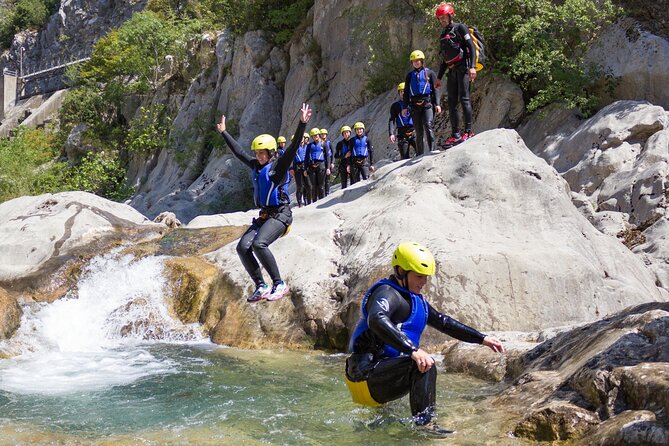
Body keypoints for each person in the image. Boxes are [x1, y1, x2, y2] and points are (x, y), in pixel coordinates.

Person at [345, 242, 504, 432]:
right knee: (424, 364)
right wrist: (413, 350)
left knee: (421, 365)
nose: (423, 282)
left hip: (382, 376)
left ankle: (405, 422)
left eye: (426, 278)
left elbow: (444, 322)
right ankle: (426, 426)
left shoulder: (415, 299)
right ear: (400, 271)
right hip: (364, 375)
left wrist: (481, 338)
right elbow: (376, 319)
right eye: (419, 276)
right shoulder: (387, 293)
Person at [216, 103, 312, 302]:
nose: (259, 156)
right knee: (242, 247)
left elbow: (293, 149)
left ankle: (279, 283)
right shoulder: (255, 166)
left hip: (282, 214)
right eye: (257, 153)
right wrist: (224, 133)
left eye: (262, 153)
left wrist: (302, 124)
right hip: (265, 216)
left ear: (270, 152)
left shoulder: (278, 166)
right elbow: (239, 153)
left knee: (259, 244)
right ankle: (261, 285)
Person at [434, 3, 477, 148]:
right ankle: (456, 134)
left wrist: (472, 67)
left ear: (450, 15)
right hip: (451, 71)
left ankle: (469, 132)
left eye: (444, 17)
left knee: (464, 98)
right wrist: (439, 77)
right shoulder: (443, 35)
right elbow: (445, 59)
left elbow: (470, 47)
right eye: (440, 19)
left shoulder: (460, 28)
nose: (442, 20)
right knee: (451, 103)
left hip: (464, 68)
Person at [402, 50, 441, 155]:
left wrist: (437, 104)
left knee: (428, 125)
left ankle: (432, 149)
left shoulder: (430, 73)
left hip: (427, 104)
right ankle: (420, 153)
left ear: (422, 61)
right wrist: (404, 107)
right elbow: (406, 93)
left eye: (417, 61)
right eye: (414, 61)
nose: (416, 63)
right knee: (418, 131)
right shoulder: (409, 76)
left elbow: (436, 89)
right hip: (414, 106)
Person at [389, 82, 417, 159]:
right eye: (401, 91)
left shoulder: (413, 103)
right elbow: (392, 120)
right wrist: (391, 133)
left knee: (420, 153)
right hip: (402, 134)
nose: (403, 93)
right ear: (399, 93)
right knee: (404, 158)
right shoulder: (395, 106)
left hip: (414, 131)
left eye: (405, 91)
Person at [305, 127, 330, 202]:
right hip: (311, 167)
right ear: (312, 137)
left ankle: (322, 200)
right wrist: (305, 169)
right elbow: (306, 157)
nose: (316, 136)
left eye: (317, 135)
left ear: (319, 135)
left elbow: (327, 156)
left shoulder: (324, 144)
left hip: (321, 166)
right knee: (313, 186)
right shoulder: (309, 146)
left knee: (321, 186)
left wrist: (328, 167)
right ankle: (314, 202)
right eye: (314, 135)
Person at [290, 132, 311, 207]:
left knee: (308, 185)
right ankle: (300, 203)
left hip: (305, 167)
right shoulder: (294, 148)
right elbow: (290, 159)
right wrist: (291, 168)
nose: (301, 139)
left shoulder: (306, 146)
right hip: (297, 168)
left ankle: (308, 202)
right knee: (300, 186)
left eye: (302, 138)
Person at [335, 125, 353, 189]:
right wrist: (344, 156)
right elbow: (336, 156)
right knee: (344, 184)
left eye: (347, 132)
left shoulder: (353, 141)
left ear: (350, 133)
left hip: (352, 163)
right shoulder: (340, 144)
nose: (346, 134)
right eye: (344, 133)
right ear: (342, 134)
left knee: (353, 182)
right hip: (343, 164)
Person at [320, 128, 333, 196]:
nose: (323, 135)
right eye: (322, 134)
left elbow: (332, 153)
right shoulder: (320, 143)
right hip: (322, 162)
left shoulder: (328, 143)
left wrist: (332, 162)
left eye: (324, 134)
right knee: (322, 179)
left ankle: (327, 193)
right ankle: (322, 194)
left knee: (327, 179)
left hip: (328, 161)